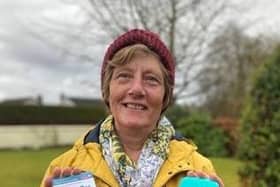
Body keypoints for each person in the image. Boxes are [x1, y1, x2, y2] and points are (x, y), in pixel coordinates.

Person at [41, 29, 224, 187]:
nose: (136, 89)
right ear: (108, 89)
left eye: (151, 79)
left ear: (165, 95)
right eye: (124, 76)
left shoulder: (199, 169)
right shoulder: (66, 169)